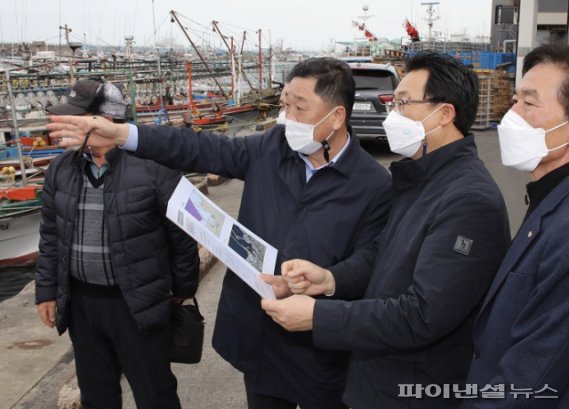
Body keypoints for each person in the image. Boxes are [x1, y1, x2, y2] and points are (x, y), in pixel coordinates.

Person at [46, 58, 392, 409]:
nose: (286, 116)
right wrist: (124, 134)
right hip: (259, 336)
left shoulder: (374, 185)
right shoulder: (270, 148)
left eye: (299, 107)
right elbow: (201, 149)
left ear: (335, 118)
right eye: (284, 103)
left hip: (319, 342)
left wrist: (328, 279)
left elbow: (372, 258)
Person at [261, 52, 511, 409]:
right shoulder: (421, 177)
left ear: (445, 113)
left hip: (412, 391)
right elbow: (383, 252)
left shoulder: (470, 201)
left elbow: (422, 314)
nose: (393, 114)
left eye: (405, 103)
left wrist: (319, 317)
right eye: (394, 103)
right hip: (377, 377)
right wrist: (328, 280)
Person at [36, 79, 200, 409]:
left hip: (137, 305)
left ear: (105, 121)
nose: (66, 127)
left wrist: (181, 291)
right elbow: (51, 235)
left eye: (75, 119)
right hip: (82, 306)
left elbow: (182, 237)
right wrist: (47, 291)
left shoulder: (155, 167)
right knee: (96, 395)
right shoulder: (60, 169)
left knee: (155, 394)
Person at [460, 44, 569, 408]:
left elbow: (533, 373)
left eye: (529, 103)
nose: (512, 114)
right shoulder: (545, 197)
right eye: (515, 100)